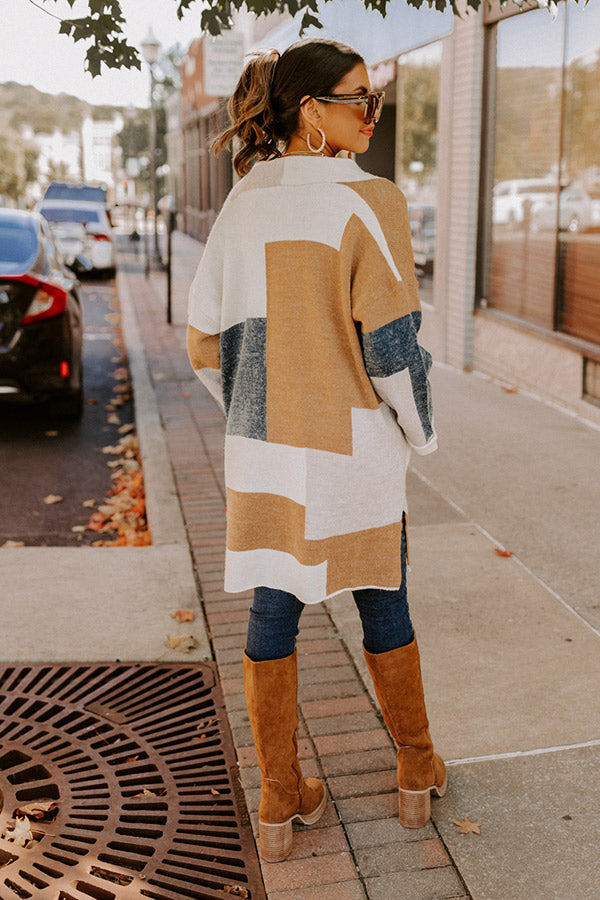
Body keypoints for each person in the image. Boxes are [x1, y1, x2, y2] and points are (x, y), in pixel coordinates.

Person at [187, 38, 446, 863]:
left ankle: (278, 798)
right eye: (360, 98)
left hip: (265, 449)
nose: (375, 112)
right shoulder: (374, 201)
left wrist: (254, 407)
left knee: (273, 612)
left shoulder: (243, 203)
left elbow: (201, 343)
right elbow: (395, 351)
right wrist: (420, 432)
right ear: (312, 110)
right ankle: (413, 774)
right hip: (353, 450)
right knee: (383, 597)